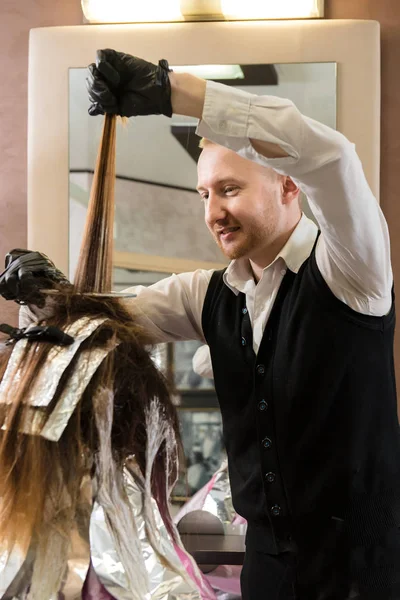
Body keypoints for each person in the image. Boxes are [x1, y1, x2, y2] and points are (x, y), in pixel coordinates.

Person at [1, 49, 399, 599]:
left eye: (230, 189)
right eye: (205, 194)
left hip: (364, 577)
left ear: (288, 185)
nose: (213, 211)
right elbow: (101, 318)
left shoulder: (351, 270)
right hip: (267, 575)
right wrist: (41, 295)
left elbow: (332, 158)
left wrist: (176, 93)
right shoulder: (207, 295)